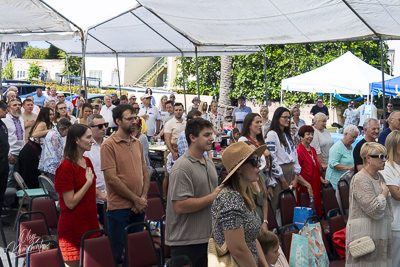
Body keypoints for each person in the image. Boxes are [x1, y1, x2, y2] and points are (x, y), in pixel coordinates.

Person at [166, 118, 223, 267]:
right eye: (206, 135)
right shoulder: (182, 167)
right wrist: (212, 197)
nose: (212, 138)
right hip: (186, 242)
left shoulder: (209, 162)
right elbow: (180, 206)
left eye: (211, 134)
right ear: (192, 138)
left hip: (208, 239)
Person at [101, 104, 150, 263]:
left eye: (135, 118)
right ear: (118, 121)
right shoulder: (108, 145)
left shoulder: (138, 143)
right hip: (119, 208)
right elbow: (112, 179)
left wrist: (142, 198)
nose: (134, 122)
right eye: (129, 119)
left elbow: (145, 172)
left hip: (138, 207)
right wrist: (136, 199)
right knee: (116, 252)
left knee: (134, 252)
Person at [211, 142, 268, 266]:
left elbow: (251, 239)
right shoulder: (230, 198)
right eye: (253, 161)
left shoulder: (243, 194)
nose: (259, 164)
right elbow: (238, 250)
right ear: (240, 169)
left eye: (258, 159)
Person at [54, 124, 100, 267]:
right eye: (88, 137)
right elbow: (70, 203)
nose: (92, 140)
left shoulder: (87, 162)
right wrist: (87, 183)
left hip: (91, 223)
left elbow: (91, 195)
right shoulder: (66, 167)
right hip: (73, 228)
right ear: (77, 140)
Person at [346, 142, 391, 266]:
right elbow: (374, 210)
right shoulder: (360, 178)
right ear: (368, 158)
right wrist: (384, 193)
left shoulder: (379, 175)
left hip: (378, 231)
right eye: (381, 156)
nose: (385, 160)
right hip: (365, 234)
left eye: (385, 156)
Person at [265, 107, 302, 213]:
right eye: (284, 117)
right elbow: (272, 159)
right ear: (277, 118)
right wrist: (283, 181)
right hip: (280, 175)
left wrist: (296, 178)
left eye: (288, 117)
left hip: (290, 174)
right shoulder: (272, 134)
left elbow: (295, 157)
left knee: (289, 206)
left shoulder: (287, 135)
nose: (287, 119)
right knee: (277, 206)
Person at [297, 125, 329, 217]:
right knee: (307, 212)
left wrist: (321, 179)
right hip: (305, 186)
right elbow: (296, 173)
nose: (311, 136)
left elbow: (315, 167)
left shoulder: (313, 149)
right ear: (301, 136)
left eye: (312, 134)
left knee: (317, 209)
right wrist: (307, 185)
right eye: (308, 134)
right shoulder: (298, 151)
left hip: (315, 185)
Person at [19, 107, 54, 188]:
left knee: (31, 175)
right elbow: (34, 134)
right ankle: (32, 197)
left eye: (52, 114)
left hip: (31, 151)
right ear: (45, 115)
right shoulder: (43, 123)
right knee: (31, 176)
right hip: (30, 152)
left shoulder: (42, 123)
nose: (52, 116)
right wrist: (50, 131)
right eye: (50, 114)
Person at [84, 114, 108, 227]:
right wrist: (99, 193)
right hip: (93, 199)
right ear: (90, 128)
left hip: (112, 197)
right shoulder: (85, 148)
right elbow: (82, 177)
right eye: (100, 126)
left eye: (105, 125)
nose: (104, 128)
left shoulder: (110, 143)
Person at [382, 130, 400, 266]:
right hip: (395, 223)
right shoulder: (386, 167)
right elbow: (397, 194)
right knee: (394, 261)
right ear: (397, 148)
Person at [2, 98, 24, 205]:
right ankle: (7, 204)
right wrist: (9, 154)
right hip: (11, 153)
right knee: (9, 178)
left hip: (21, 152)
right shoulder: (5, 120)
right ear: (9, 109)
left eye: (19, 104)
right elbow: (5, 139)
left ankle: (15, 202)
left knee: (18, 178)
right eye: (14, 105)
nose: (18, 106)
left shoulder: (21, 119)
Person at [326, 125, 359, 190]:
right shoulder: (337, 147)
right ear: (345, 134)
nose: (354, 140)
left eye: (356, 137)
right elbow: (333, 164)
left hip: (345, 182)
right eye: (352, 137)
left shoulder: (352, 148)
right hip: (335, 183)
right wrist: (348, 167)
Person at [0, 101, 10, 215]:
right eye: (4, 109)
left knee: (2, 188)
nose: (6, 111)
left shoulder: (2, 124)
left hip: (4, 161)